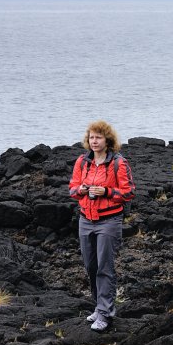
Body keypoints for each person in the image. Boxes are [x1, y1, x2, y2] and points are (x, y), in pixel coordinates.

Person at [68, 121, 135, 332]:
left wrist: (105, 192)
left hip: (109, 221)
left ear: (108, 140)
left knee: (105, 268)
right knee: (91, 267)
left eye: (98, 137)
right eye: (91, 137)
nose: (94, 141)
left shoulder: (118, 163)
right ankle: (99, 307)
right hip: (85, 220)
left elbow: (128, 192)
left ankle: (105, 313)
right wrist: (82, 189)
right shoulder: (82, 161)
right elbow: (72, 189)